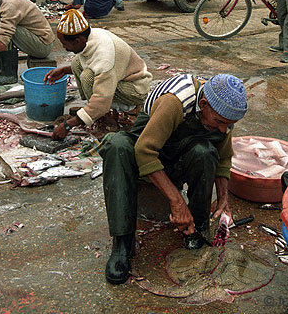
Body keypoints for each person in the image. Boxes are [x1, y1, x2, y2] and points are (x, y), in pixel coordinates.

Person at [98, 72, 247, 285]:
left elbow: (223, 159)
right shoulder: (175, 101)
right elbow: (145, 151)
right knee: (117, 146)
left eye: (229, 125)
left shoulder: (222, 110)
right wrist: (177, 202)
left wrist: (224, 198)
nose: (224, 129)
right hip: (147, 152)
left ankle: (197, 230)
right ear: (203, 104)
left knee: (204, 152)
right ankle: (122, 243)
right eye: (220, 122)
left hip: (178, 157)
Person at [44, 9, 152, 139]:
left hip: (135, 88)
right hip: (119, 77)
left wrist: (68, 125)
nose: (64, 48)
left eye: (65, 44)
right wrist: (64, 70)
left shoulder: (104, 57)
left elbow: (101, 101)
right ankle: (92, 112)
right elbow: (88, 62)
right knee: (77, 63)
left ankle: (107, 121)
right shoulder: (91, 36)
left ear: (77, 41)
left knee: (88, 78)